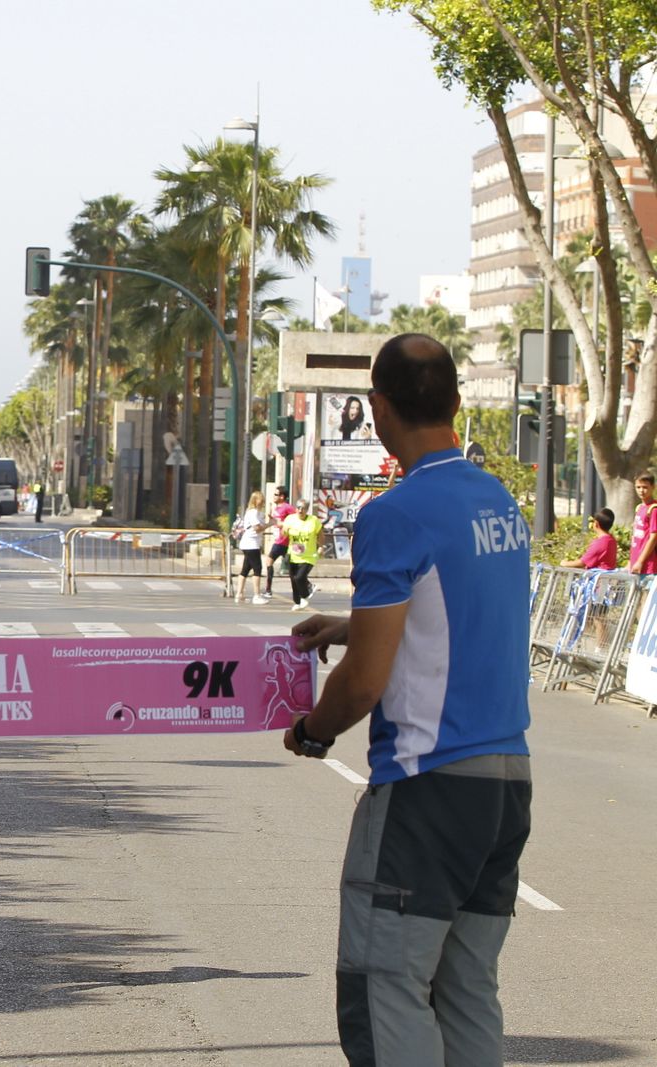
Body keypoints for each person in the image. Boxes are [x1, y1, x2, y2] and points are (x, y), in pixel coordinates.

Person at [289, 334, 531, 1067]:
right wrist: (350, 624)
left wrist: (313, 729)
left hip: (428, 788)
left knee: (385, 987)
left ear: (378, 408)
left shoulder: (395, 513)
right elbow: (458, 613)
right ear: (456, 403)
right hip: (506, 785)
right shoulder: (498, 501)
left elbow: (364, 682)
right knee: (466, 989)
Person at [282, 501, 323, 611]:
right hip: (293, 554)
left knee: (299, 577)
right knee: (293, 579)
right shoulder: (290, 519)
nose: (300, 510)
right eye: (298, 508)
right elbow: (284, 534)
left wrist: (320, 546)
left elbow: (320, 534)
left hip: (309, 556)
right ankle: (297, 602)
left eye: (303, 508)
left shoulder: (313, 520)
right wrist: (285, 530)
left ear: (307, 510)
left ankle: (305, 595)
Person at [234, 490, 269, 604]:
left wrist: (267, 521)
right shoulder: (252, 512)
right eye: (260, 499)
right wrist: (270, 524)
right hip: (251, 544)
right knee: (257, 569)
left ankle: (239, 594)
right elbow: (257, 528)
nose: (262, 501)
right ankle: (256, 595)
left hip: (251, 543)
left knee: (246, 569)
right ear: (255, 500)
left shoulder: (257, 512)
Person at [263, 487, 296, 599]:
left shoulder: (287, 507)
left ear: (282, 496)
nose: (274, 496)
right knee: (292, 568)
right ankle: (306, 586)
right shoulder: (276, 508)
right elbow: (276, 521)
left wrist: (284, 525)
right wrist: (271, 518)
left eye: (276, 495)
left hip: (283, 540)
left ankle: (268, 590)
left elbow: (296, 518)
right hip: (278, 539)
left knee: (269, 561)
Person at [629, 473, 657, 574]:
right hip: (635, 562)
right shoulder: (639, 507)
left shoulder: (653, 509)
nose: (641, 490)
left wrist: (640, 561)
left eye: (645, 487)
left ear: (653, 487)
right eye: (638, 487)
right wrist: (631, 561)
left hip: (648, 564)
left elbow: (653, 538)